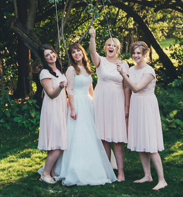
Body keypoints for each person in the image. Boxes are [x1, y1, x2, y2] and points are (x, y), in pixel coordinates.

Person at [54, 43, 117, 186]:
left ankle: (96, 163)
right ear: (71, 56)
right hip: (77, 103)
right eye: (73, 52)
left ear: (83, 52)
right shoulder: (71, 69)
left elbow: (90, 88)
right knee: (79, 134)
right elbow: (69, 90)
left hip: (88, 103)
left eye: (78, 51)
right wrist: (73, 108)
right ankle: (76, 167)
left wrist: (94, 104)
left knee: (92, 133)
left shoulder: (88, 68)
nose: (77, 54)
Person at [121, 41, 167, 190]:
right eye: (133, 53)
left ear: (145, 54)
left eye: (138, 53)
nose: (135, 56)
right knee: (141, 142)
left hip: (147, 106)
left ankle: (162, 179)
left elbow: (136, 88)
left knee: (151, 144)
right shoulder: (132, 70)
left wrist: (122, 74)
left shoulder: (149, 71)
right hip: (136, 106)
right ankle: (147, 175)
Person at [89, 27, 130, 180]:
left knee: (118, 138)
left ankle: (120, 171)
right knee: (104, 137)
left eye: (113, 45)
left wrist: (126, 107)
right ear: (105, 48)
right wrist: (93, 36)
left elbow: (126, 87)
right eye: (108, 44)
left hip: (118, 102)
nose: (110, 47)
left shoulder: (124, 65)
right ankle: (107, 171)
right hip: (102, 101)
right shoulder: (100, 61)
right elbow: (92, 52)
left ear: (118, 49)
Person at [37, 44, 68, 184]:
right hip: (52, 108)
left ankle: (52, 171)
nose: (51, 56)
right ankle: (45, 173)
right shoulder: (45, 73)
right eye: (47, 55)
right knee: (58, 143)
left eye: (52, 53)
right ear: (44, 59)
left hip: (61, 107)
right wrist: (60, 88)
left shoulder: (59, 70)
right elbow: (51, 94)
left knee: (57, 141)